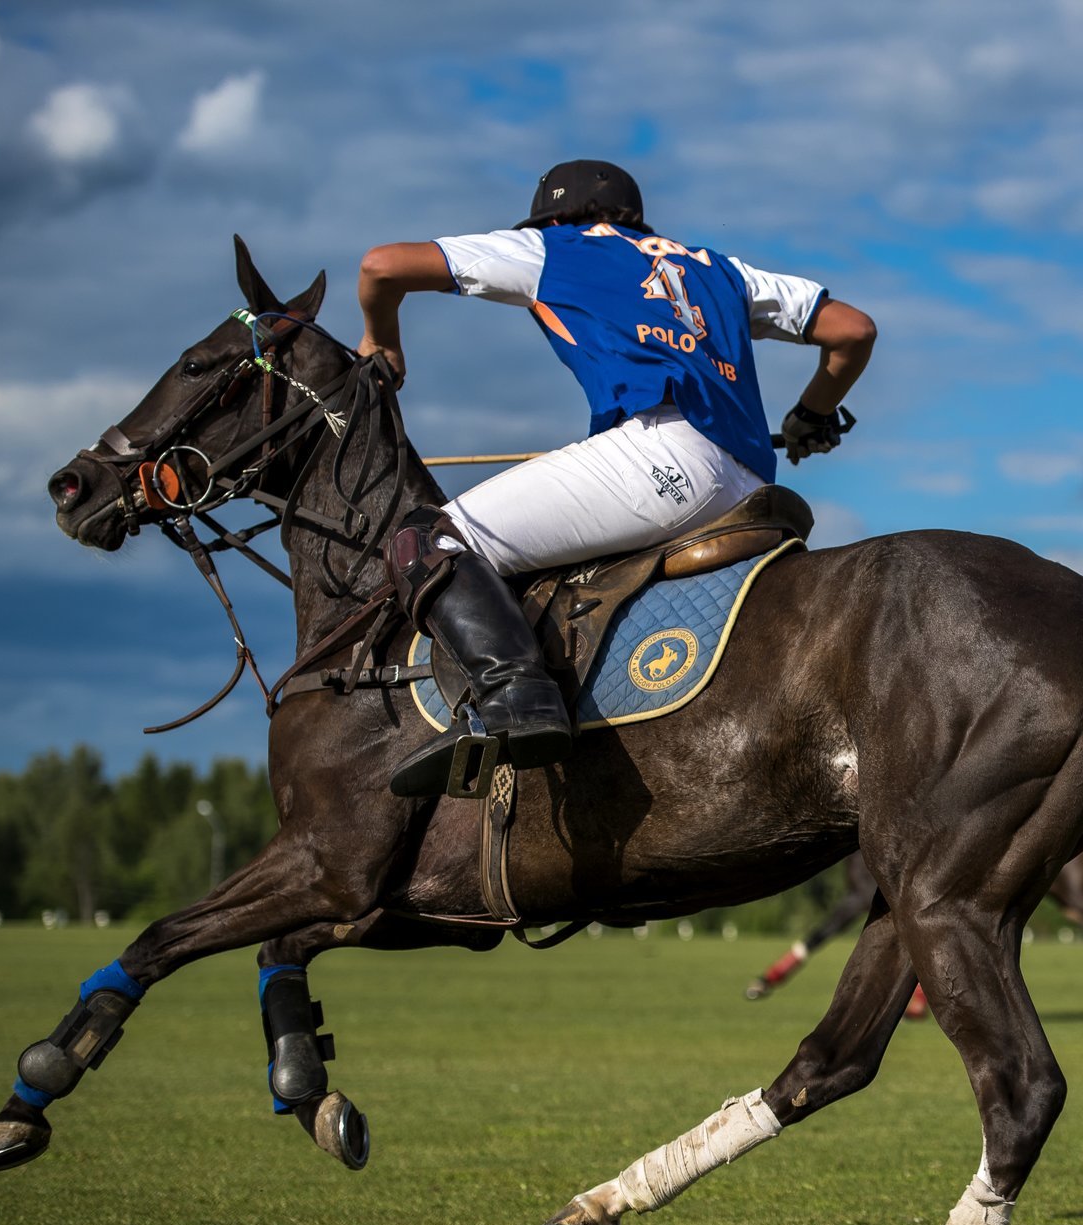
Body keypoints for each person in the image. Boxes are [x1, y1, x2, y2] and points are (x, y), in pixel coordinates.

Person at [355, 160, 877, 798]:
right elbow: (852, 330)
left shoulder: (553, 247)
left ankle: (516, 701)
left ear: (554, 215)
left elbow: (382, 265)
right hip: (750, 487)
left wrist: (380, 340)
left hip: (665, 458)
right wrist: (811, 414)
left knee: (429, 540)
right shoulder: (721, 269)